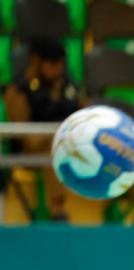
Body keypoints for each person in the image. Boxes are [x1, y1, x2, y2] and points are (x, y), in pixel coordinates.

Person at [2, 39, 83, 222]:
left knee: (119, 143)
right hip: (32, 148)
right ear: (36, 61)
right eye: (53, 64)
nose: (59, 70)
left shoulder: (67, 86)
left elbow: (85, 111)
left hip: (72, 142)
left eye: (61, 65)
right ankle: (58, 210)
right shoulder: (18, 89)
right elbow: (22, 130)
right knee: (53, 144)